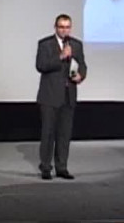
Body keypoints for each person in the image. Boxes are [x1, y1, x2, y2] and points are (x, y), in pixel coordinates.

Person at [35, 14, 87, 180]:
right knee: (48, 133)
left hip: (68, 95)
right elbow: (41, 65)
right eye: (61, 27)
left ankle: (62, 167)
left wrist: (81, 75)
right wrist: (60, 57)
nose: (65, 30)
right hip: (49, 96)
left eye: (67, 27)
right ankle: (45, 167)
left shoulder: (76, 45)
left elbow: (82, 65)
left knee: (64, 134)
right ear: (56, 27)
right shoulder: (45, 44)